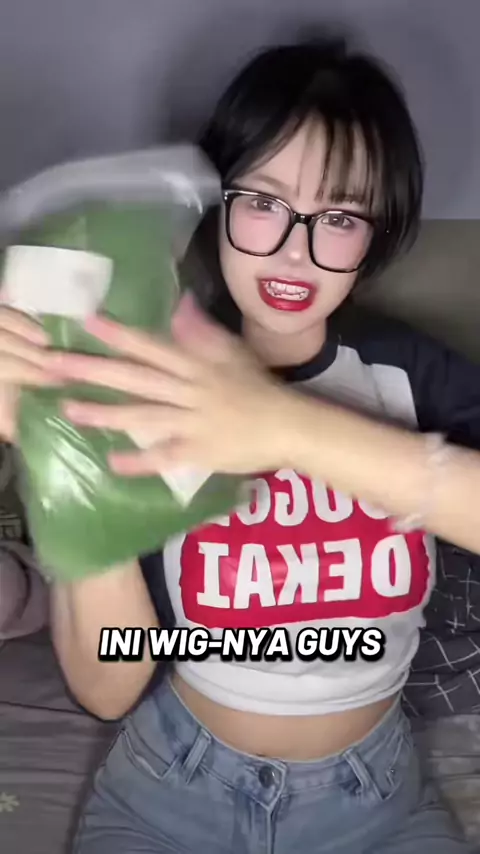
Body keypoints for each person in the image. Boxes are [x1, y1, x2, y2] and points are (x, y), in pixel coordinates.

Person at [1, 36, 480, 854]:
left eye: (339, 217)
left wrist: (283, 424)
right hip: (168, 792)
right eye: (262, 201)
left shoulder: (407, 375)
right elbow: (109, 685)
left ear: (374, 235)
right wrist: (63, 456)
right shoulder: (148, 378)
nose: (295, 248)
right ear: (219, 207)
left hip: (379, 803)